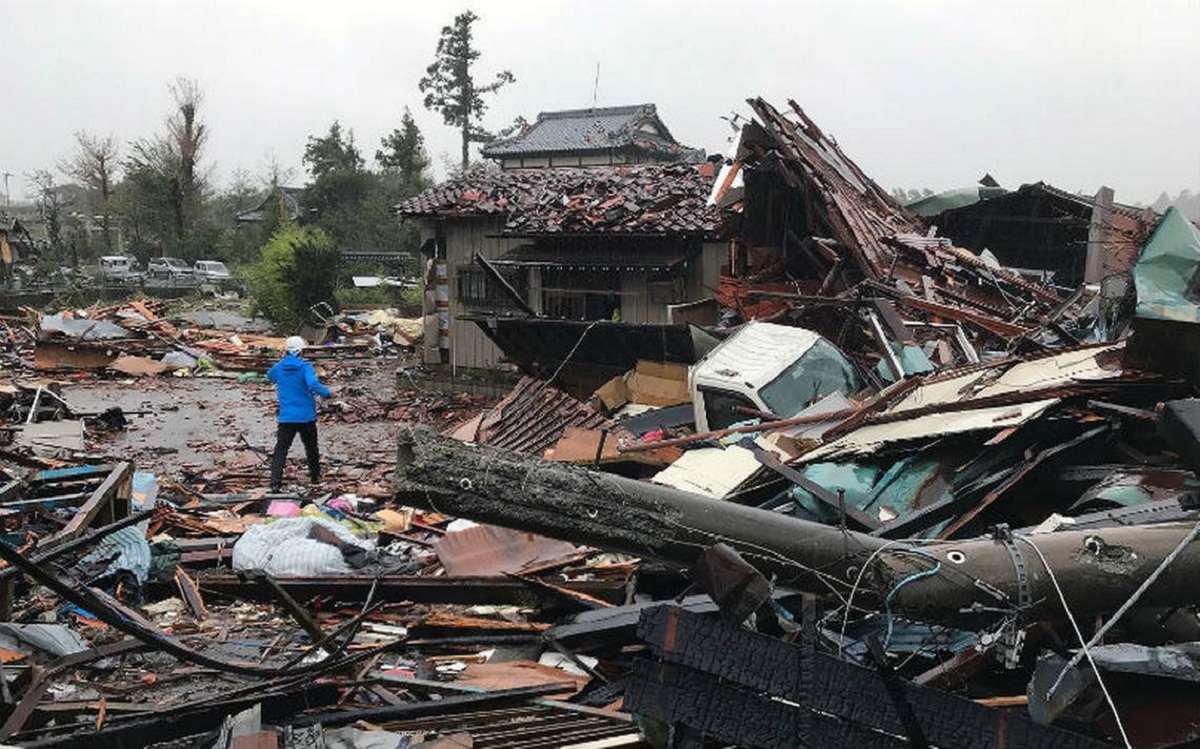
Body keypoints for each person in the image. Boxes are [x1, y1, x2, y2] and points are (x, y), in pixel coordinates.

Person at [267, 336, 334, 493]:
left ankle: (275, 483)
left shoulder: (279, 367)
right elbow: (312, 383)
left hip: (287, 416)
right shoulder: (306, 367)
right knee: (311, 447)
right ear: (301, 351)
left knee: (281, 449)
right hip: (306, 416)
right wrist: (326, 393)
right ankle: (315, 477)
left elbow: (270, 376)